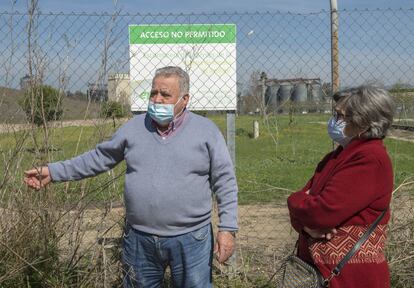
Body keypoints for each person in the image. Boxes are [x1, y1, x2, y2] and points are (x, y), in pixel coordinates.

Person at [24, 66, 238, 288]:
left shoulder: (206, 131)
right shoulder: (134, 129)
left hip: (191, 239)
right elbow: (98, 158)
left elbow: (225, 182)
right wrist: (53, 171)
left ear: (185, 99)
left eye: (165, 95)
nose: (157, 99)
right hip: (139, 240)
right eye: (153, 93)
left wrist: (227, 229)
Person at [287, 86, 395, 288]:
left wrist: (294, 201)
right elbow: (308, 209)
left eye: (340, 115)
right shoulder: (336, 157)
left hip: (350, 278)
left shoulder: (370, 160)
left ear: (362, 122)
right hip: (321, 272)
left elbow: (320, 212)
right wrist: (307, 226)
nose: (334, 120)